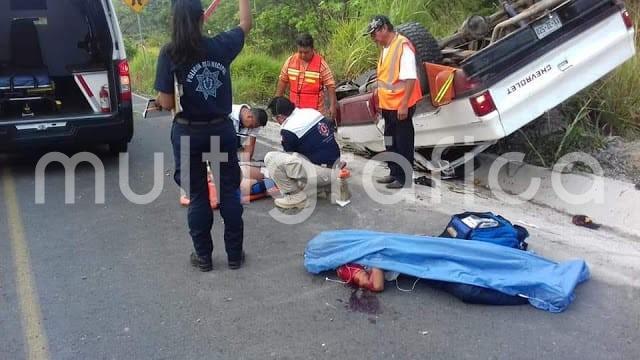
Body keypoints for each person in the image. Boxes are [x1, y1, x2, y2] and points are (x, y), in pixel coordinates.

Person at [154, 0, 252, 272]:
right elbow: (246, 24)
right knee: (228, 192)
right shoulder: (220, 45)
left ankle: (204, 257)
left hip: (188, 134)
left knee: (198, 195)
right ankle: (234, 255)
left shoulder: (170, 53)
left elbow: (164, 101)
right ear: (202, 18)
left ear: (174, 20)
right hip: (219, 132)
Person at [365, 15, 422, 189]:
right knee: (390, 140)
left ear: (383, 29)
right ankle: (394, 172)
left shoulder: (402, 46)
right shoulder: (385, 48)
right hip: (388, 104)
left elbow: (410, 78)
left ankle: (404, 178)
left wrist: (404, 104)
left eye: (374, 34)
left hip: (401, 104)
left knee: (403, 141)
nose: (373, 38)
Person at [264, 97, 341, 209]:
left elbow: (289, 158)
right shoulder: (311, 112)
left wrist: (271, 174)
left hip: (322, 173)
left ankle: (295, 198)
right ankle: (325, 186)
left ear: (280, 117)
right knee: (301, 156)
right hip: (336, 166)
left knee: (271, 159)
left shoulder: (288, 129)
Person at [276, 33, 338, 120]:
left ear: (312, 49)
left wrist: (332, 106)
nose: (303, 55)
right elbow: (282, 80)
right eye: (300, 52)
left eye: (306, 52)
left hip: (315, 114)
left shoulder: (321, 64)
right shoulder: (290, 61)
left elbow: (330, 86)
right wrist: (277, 103)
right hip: (294, 112)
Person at [229, 104, 268, 188]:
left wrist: (245, 165)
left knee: (243, 168)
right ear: (249, 116)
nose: (252, 129)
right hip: (213, 137)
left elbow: (249, 147)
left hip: (232, 141)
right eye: (252, 126)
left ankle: (269, 176)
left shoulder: (255, 123)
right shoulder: (228, 112)